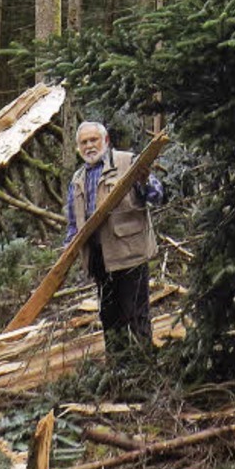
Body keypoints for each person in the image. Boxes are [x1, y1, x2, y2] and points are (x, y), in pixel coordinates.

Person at [65, 120, 163, 350]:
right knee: (110, 319)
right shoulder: (77, 179)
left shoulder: (127, 162)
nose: (89, 146)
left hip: (129, 254)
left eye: (93, 140)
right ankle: (117, 372)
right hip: (99, 259)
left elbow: (156, 195)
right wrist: (68, 250)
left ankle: (144, 368)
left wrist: (144, 181)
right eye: (84, 142)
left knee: (136, 315)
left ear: (105, 140)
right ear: (78, 148)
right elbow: (73, 223)